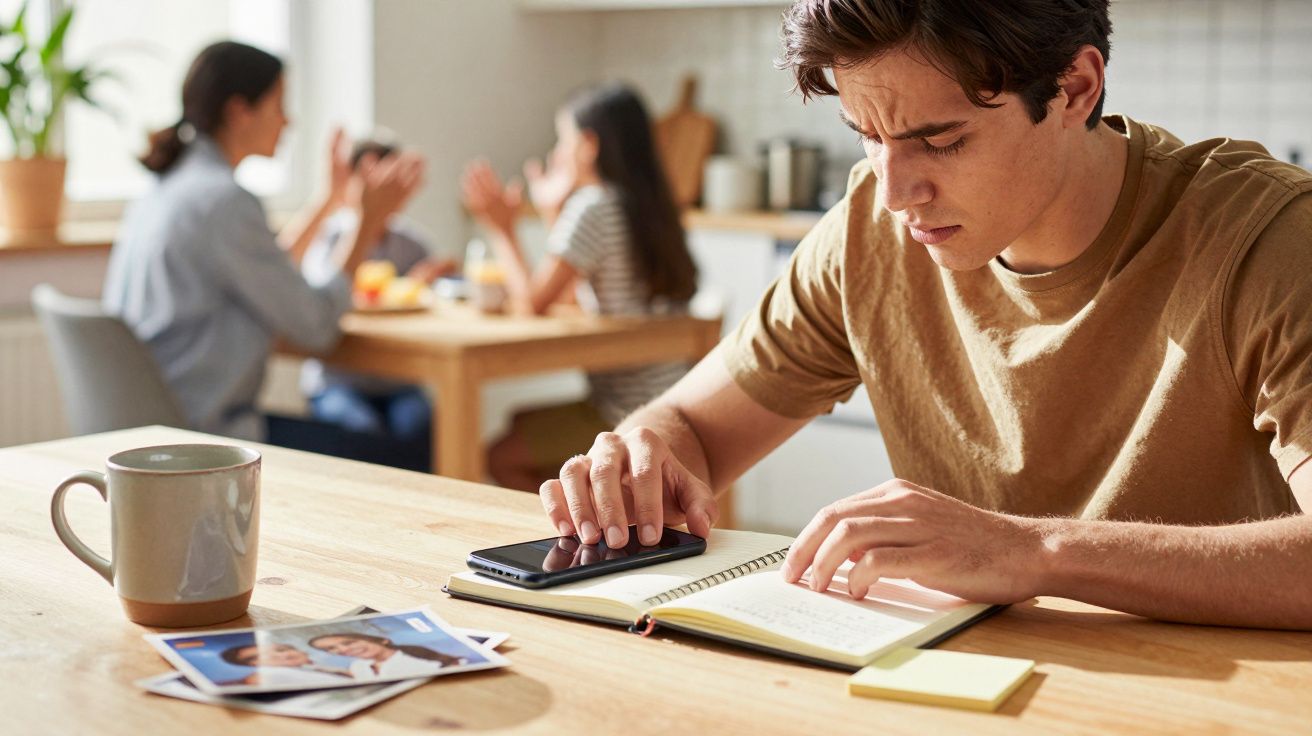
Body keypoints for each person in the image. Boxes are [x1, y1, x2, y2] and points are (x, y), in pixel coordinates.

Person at [534, 0, 1312, 630]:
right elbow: (695, 431)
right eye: (867, 137)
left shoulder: (1268, 239)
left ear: (1075, 89)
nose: (896, 190)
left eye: (940, 140)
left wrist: (1035, 551)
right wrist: (642, 454)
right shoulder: (868, 231)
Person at [103, 41, 423, 449]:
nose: (288, 122)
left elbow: (267, 273)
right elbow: (317, 326)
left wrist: (328, 200)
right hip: (204, 438)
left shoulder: (170, 188)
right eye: (279, 106)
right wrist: (367, 224)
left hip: (160, 425)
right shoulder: (223, 201)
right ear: (240, 111)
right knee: (406, 449)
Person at [460, 83, 699, 496]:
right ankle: (595, 511)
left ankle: (583, 522)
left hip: (623, 411)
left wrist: (502, 230)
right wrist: (553, 212)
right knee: (520, 422)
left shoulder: (593, 204)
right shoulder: (644, 205)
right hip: (670, 401)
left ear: (588, 145)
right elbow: (571, 297)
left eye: (563, 139)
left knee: (498, 456)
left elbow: (532, 304)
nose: (558, 151)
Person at [299, 138, 457, 471]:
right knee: (362, 433)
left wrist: (425, 283)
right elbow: (320, 297)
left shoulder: (411, 242)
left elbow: (437, 300)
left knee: (419, 425)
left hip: (398, 379)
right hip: (338, 380)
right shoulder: (329, 237)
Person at [308, 633, 466, 679]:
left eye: (349, 642)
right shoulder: (358, 667)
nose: (342, 650)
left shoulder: (417, 657)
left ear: (382, 640)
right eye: (330, 649)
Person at [219, 643, 353, 687]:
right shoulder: (265, 676)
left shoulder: (326, 667)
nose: (281, 656)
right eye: (262, 656)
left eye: (281, 649)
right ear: (254, 665)